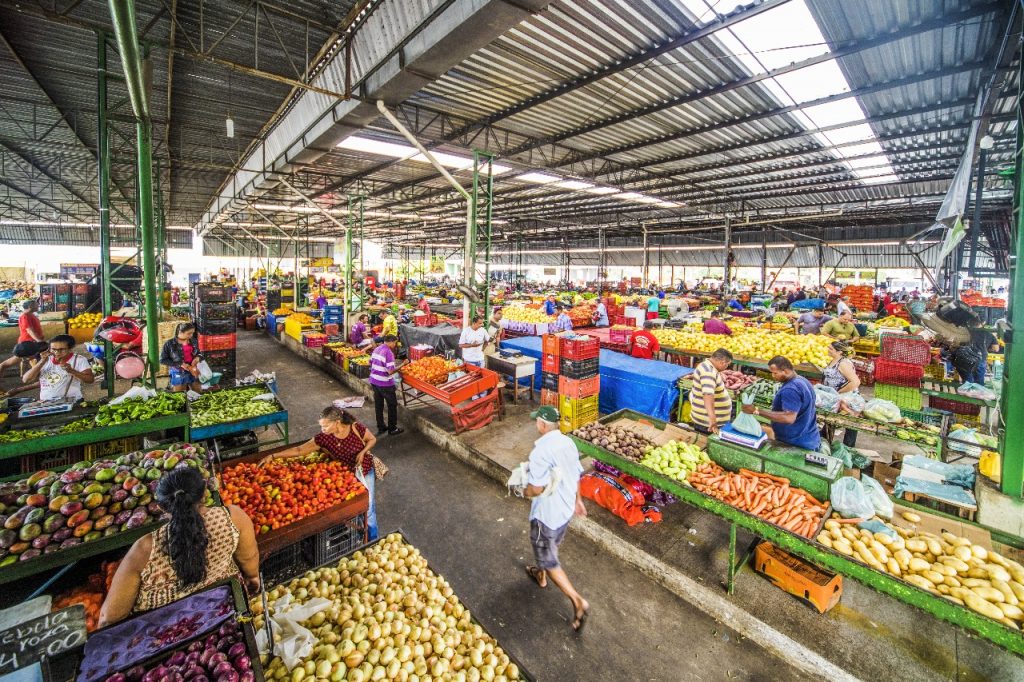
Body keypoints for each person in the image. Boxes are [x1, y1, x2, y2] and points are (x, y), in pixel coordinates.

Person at [98, 467, 261, 626]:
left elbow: (111, 617)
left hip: (166, 632)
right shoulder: (233, 517)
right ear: (205, 494)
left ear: (161, 507)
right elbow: (249, 562)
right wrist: (253, 579)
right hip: (223, 615)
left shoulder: (145, 547)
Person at [261, 406, 382, 541]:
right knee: (353, 509)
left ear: (337, 422)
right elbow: (299, 450)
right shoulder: (324, 438)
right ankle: (359, 536)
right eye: (321, 426)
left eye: (325, 426)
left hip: (364, 471)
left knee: (368, 508)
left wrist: (362, 452)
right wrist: (273, 456)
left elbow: (372, 439)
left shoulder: (355, 428)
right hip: (345, 478)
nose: (322, 430)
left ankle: (373, 539)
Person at [521, 405, 589, 633]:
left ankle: (577, 601)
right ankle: (540, 575)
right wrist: (578, 500)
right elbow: (576, 473)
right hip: (565, 509)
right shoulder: (568, 443)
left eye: (536, 422)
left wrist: (523, 490)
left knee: (549, 557)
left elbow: (537, 489)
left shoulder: (540, 452)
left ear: (541, 424)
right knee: (548, 547)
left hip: (546, 516)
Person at [742, 356, 820, 451]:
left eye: (775, 373)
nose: (773, 376)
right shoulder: (802, 380)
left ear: (786, 371)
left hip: (796, 443)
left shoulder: (791, 389)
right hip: (808, 436)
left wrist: (757, 411)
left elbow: (789, 418)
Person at [21, 334, 94, 402]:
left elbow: (90, 380)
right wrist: (42, 361)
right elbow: (26, 379)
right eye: (53, 349)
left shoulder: (79, 360)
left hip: (72, 401)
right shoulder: (44, 359)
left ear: (70, 348)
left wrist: (71, 371)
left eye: (62, 349)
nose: (57, 352)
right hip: (45, 402)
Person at [821, 341, 860, 447]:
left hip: (846, 399)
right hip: (835, 398)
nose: (828, 350)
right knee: (830, 420)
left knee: (850, 423)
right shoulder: (834, 360)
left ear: (839, 352)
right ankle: (825, 443)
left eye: (830, 349)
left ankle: (848, 448)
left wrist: (839, 391)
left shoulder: (843, 363)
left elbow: (855, 382)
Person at [688, 348, 733, 434]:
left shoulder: (705, 366)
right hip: (707, 424)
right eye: (727, 364)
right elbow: (708, 395)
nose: (726, 367)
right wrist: (713, 420)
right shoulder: (709, 372)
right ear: (722, 362)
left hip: (706, 420)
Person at [369, 335, 404, 435]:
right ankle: (392, 428)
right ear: (391, 342)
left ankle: (381, 427)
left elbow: (370, 362)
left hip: (374, 381)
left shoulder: (376, 349)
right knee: (392, 405)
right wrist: (403, 364)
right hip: (384, 383)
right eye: (395, 342)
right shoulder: (388, 352)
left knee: (378, 405)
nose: (395, 345)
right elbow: (390, 371)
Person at [160, 322, 203, 393]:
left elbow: (199, 353)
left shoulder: (194, 341)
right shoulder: (169, 344)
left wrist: (198, 358)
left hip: (193, 370)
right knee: (180, 395)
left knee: (198, 393)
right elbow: (162, 360)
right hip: (178, 372)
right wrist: (180, 364)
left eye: (192, 333)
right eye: (189, 333)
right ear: (180, 332)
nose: (191, 335)